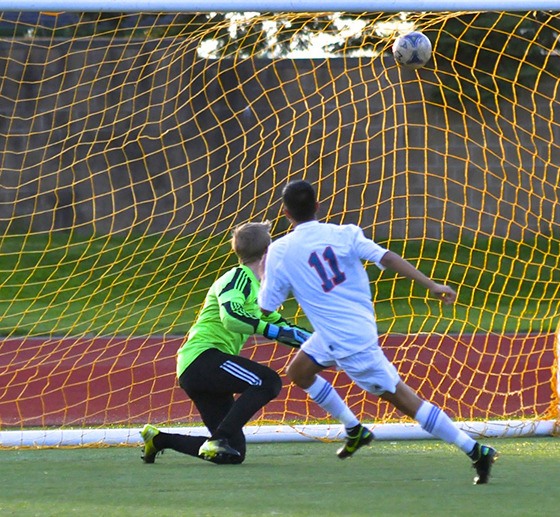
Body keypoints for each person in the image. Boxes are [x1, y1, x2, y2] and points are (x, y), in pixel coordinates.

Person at [258, 179, 498, 484]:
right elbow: (387, 257)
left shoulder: (279, 250)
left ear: (285, 212)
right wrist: (432, 285)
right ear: (318, 206)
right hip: (339, 333)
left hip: (351, 344)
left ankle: (475, 450)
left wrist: (265, 273)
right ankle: (354, 429)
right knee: (299, 371)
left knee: (404, 400)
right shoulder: (344, 233)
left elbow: (266, 308)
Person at [140, 221, 310, 465]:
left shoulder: (258, 289)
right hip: (202, 359)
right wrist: (268, 329)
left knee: (232, 453)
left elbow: (283, 327)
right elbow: (231, 317)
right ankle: (217, 438)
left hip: (201, 371)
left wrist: (318, 344)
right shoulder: (238, 278)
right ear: (268, 251)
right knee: (267, 381)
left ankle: (159, 440)